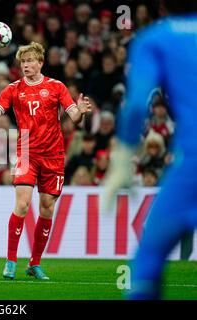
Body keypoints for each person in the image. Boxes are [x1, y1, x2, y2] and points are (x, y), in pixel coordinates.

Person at [0, 42, 91, 280]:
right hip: (26, 154)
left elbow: (74, 116)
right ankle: (10, 261)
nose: (26, 65)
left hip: (53, 155)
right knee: (22, 205)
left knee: (47, 207)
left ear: (40, 62)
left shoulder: (56, 87)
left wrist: (80, 110)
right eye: (23, 62)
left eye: (30, 60)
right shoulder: (13, 89)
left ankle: (35, 263)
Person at [103, 1, 197, 299]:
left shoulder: (154, 38)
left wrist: (121, 161)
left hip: (191, 166)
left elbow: (134, 106)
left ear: (161, 5)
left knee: (146, 267)